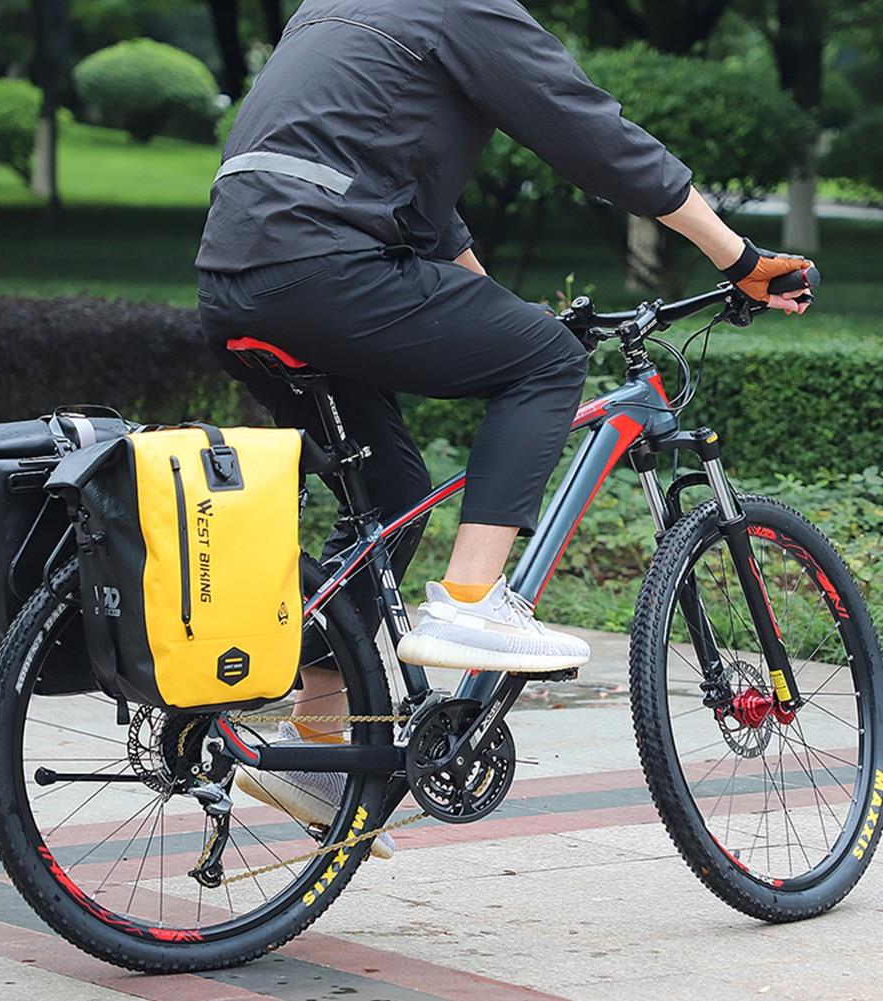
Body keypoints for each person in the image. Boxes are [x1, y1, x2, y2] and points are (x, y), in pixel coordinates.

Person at [195, 0, 812, 843]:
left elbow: (420, 212)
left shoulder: (336, 9)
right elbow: (591, 134)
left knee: (392, 490)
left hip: (236, 279)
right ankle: (471, 601)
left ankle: (317, 735)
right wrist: (737, 258)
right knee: (546, 362)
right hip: (324, 264)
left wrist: (494, 305)